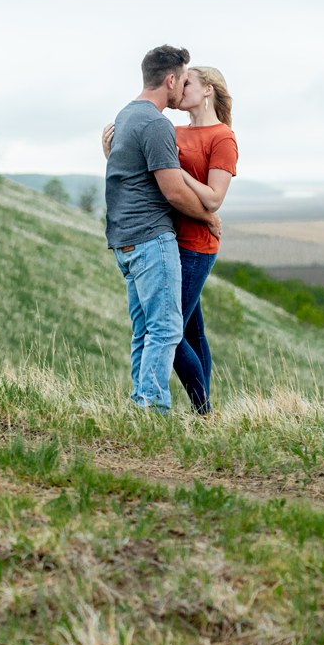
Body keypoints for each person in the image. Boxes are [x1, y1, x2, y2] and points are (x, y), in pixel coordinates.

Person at [107, 66, 236, 414]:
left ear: (207, 89)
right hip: (165, 242)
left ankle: (203, 410)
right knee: (192, 333)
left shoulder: (222, 137)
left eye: (188, 82)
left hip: (195, 246)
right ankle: (204, 416)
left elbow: (213, 199)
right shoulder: (172, 129)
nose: (181, 87)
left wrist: (175, 172)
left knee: (170, 334)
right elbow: (150, 172)